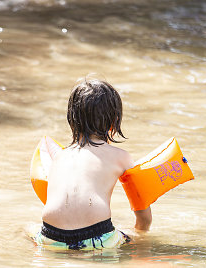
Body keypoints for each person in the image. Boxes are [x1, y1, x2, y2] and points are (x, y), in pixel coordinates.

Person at [33, 78, 152, 250]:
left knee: (28, 229)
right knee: (132, 238)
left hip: (50, 236)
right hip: (96, 236)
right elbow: (144, 218)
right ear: (115, 121)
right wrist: (141, 235)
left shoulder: (59, 156)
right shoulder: (121, 157)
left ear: (72, 120)